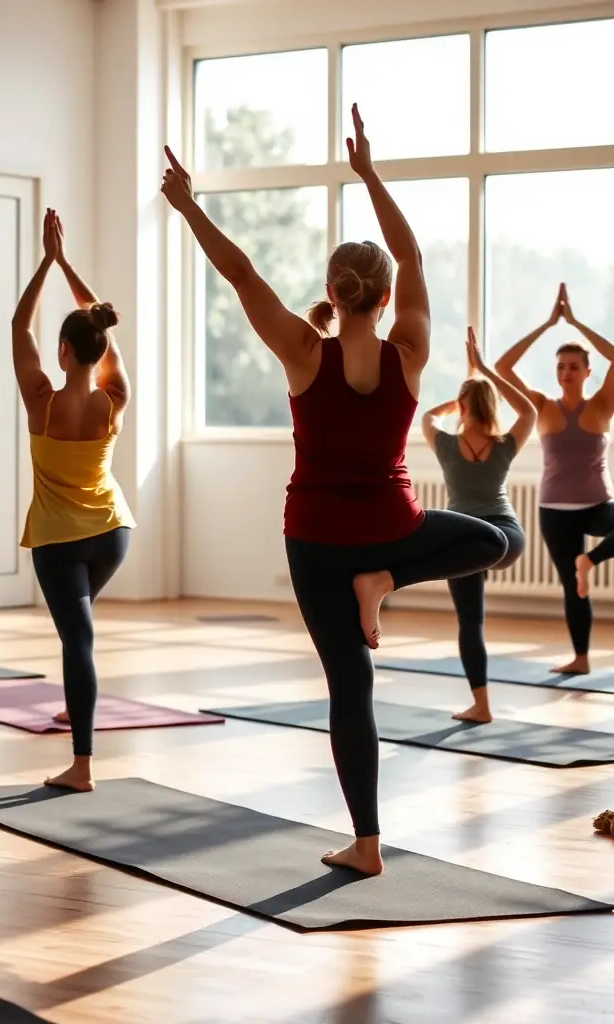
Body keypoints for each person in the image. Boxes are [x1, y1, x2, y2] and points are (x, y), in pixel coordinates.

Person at [160, 104, 508, 876]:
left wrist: (189, 207)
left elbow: (242, 272)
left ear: (332, 292)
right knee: (498, 539)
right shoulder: (409, 352)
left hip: (314, 539)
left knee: (350, 685)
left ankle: (367, 845)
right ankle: (386, 580)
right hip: (392, 527)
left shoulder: (300, 351)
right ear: (383, 299)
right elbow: (412, 254)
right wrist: (370, 175)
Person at [13, 208, 135, 793]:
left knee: (77, 637)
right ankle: (76, 704)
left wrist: (47, 261)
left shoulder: (43, 401)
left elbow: (18, 327)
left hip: (59, 540)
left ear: (63, 351)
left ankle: (82, 766)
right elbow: (99, 332)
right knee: (76, 632)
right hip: (113, 535)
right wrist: (70, 268)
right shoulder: (115, 397)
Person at [495, 284, 614, 674]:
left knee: (580, 570)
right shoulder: (541, 406)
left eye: (574, 366)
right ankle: (580, 659)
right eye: (560, 366)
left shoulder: (601, 405)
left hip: (597, 506)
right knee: (573, 589)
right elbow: (502, 368)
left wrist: (576, 322)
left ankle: (590, 560)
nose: (566, 372)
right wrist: (548, 324)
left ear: (587, 371)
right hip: (554, 511)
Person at [421, 328, 536, 722]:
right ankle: (481, 707)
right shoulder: (505, 445)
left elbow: (428, 416)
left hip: (467, 541)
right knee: (464, 545)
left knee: (471, 620)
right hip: (506, 540)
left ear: (465, 408)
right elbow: (529, 411)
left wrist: (457, 401)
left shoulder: (446, 444)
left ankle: (482, 704)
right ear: (492, 406)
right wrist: (485, 371)